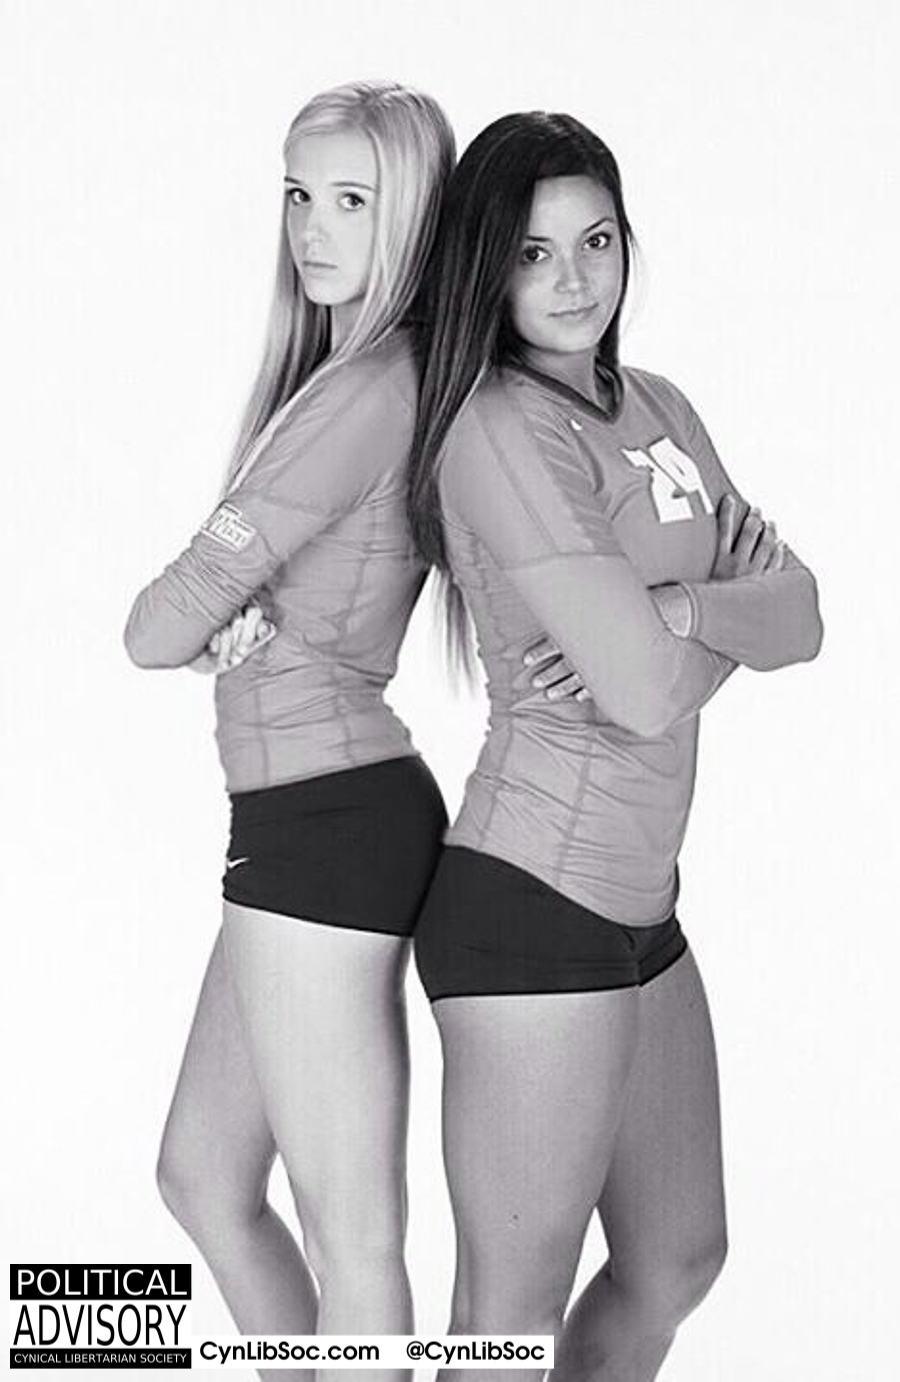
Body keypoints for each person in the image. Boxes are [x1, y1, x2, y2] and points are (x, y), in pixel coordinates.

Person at [407, 111, 822, 1382]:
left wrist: (678, 610)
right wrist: (710, 622)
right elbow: (643, 695)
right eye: (534, 254)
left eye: (596, 241)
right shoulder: (498, 428)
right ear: (488, 270)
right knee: (504, 1324)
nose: (575, 278)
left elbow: (803, 612)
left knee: (677, 1255)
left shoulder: (659, 407)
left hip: (642, 903)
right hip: (532, 898)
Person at [124, 80, 454, 1380]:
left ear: (410, 213)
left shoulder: (366, 389)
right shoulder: (343, 380)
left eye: (352, 200)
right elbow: (198, 616)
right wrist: (224, 615)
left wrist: (210, 613)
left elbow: (155, 624)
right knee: (203, 1173)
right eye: (299, 193)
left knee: (353, 1233)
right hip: (302, 816)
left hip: (331, 820)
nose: (312, 228)